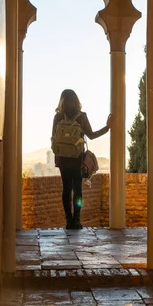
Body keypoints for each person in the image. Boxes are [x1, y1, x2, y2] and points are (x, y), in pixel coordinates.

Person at [52, 89, 112, 230]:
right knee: (77, 189)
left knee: (66, 189)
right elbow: (91, 135)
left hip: (62, 159)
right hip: (76, 159)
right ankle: (76, 221)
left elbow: (53, 138)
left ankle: (68, 221)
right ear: (76, 101)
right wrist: (107, 127)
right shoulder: (81, 117)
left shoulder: (58, 117)